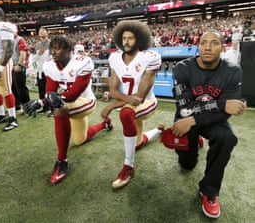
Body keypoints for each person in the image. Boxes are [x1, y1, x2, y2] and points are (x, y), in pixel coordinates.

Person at [171, 30, 246, 218]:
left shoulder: (233, 71)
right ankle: (195, 141)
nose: (207, 47)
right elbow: (185, 109)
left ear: (222, 47)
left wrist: (195, 119)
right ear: (198, 45)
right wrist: (221, 104)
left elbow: (225, 115)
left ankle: (209, 191)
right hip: (187, 119)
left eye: (214, 43)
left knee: (226, 137)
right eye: (203, 42)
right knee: (187, 165)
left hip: (206, 121)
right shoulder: (182, 68)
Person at [24, 36, 113, 184]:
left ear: (69, 50)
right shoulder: (50, 65)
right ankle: (105, 124)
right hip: (69, 103)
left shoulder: (83, 62)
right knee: (80, 140)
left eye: (58, 48)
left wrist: (42, 102)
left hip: (85, 101)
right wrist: (44, 100)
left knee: (59, 109)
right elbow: (51, 91)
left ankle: (62, 161)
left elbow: (72, 95)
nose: (53, 52)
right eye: (52, 48)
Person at [101, 20, 163, 189]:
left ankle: (128, 166)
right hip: (130, 102)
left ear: (139, 40)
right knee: (136, 143)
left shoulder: (149, 58)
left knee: (125, 113)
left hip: (147, 102)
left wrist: (112, 106)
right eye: (124, 38)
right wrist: (119, 100)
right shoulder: (115, 58)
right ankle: (158, 130)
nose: (126, 41)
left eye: (131, 38)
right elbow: (113, 90)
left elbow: (139, 98)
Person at [31, 27, 50, 114]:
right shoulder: (38, 45)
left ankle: (51, 107)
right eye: (40, 32)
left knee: (49, 90)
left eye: (43, 31)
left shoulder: (51, 44)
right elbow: (33, 59)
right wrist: (39, 54)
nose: (41, 33)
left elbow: (54, 58)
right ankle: (44, 107)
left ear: (47, 32)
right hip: (40, 71)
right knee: (41, 90)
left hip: (49, 71)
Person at [11, 33, 30, 112]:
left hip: (18, 65)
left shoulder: (19, 39)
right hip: (10, 65)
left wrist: (19, 64)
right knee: (13, 86)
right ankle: (17, 104)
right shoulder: (7, 40)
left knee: (20, 86)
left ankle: (27, 106)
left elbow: (23, 53)